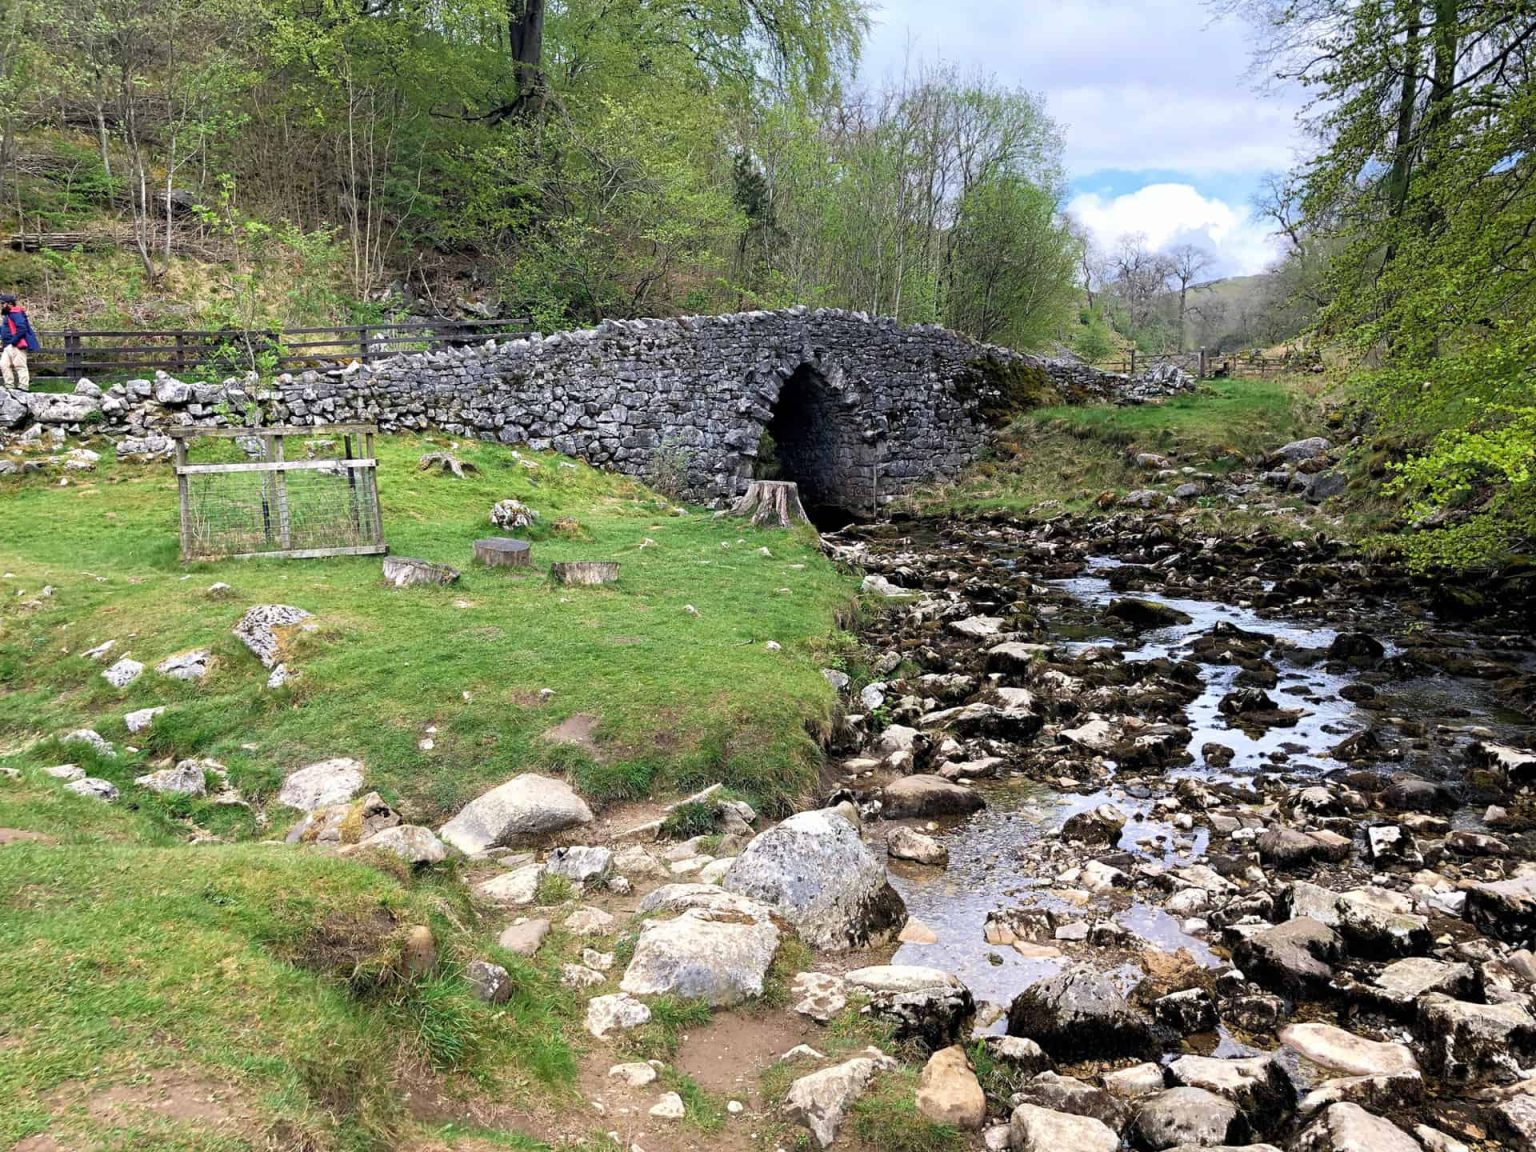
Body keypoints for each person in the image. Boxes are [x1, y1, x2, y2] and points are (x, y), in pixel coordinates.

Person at [1, 292, 40, 391]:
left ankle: (23, 387)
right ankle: (9, 386)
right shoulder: (9, 314)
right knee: (4, 365)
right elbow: (6, 329)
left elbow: (22, 328)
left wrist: (14, 342)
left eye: (3, 303)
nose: (2, 305)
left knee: (20, 365)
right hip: (8, 345)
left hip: (16, 344)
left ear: (9, 303)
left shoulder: (16, 313)